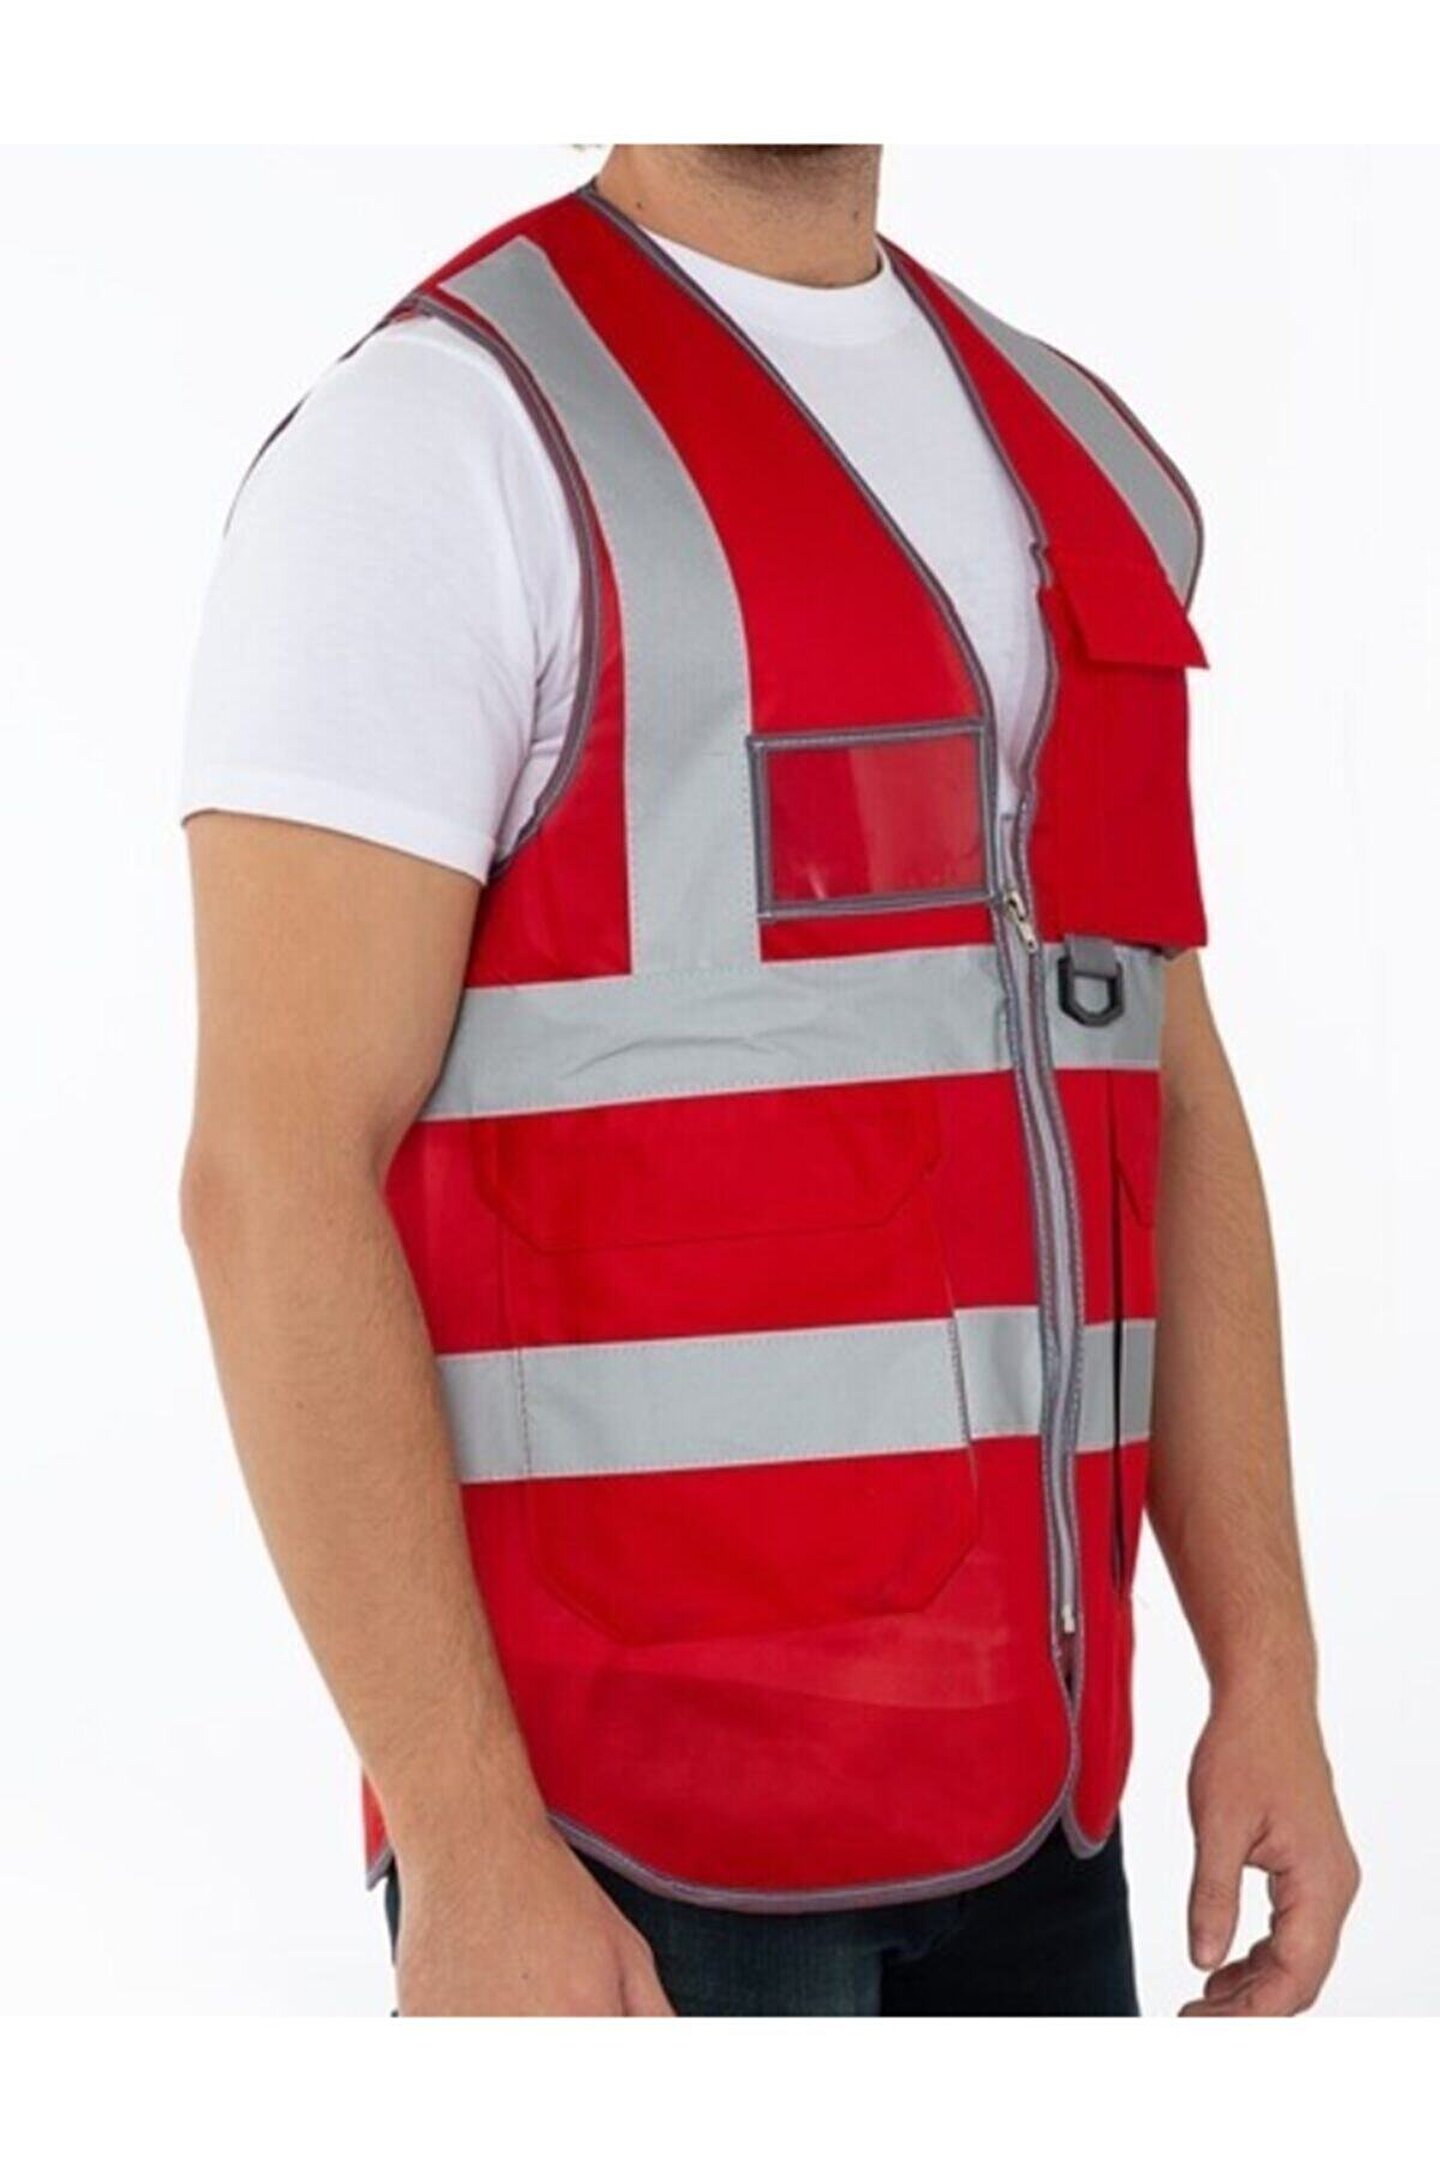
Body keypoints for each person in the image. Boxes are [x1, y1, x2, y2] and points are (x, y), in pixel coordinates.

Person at [181, 144, 1358, 2017]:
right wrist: (467, 1842)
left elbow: (1167, 1089)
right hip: (620, 1850)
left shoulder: (1081, 455)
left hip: (1040, 1815)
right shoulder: (444, 440)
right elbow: (270, 1176)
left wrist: (1267, 1666)